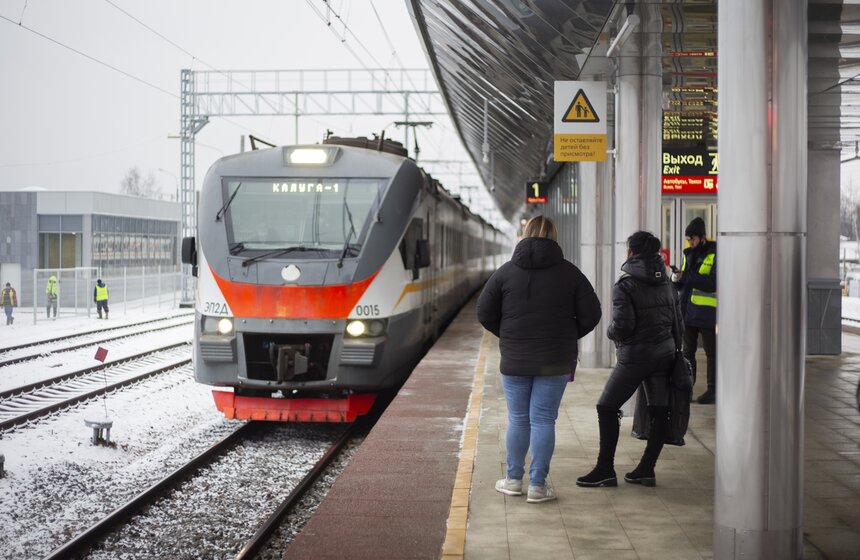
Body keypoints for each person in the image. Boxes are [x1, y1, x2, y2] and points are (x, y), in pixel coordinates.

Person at [477, 215, 601, 503]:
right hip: (555, 360)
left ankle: (512, 480)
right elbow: (593, 313)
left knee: (518, 419)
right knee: (543, 419)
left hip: (515, 359)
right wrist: (569, 335)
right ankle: (537, 485)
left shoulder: (505, 273)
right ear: (554, 237)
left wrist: (507, 335)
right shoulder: (570, 273)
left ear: (525, 235)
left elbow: (483, 312)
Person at [577, 231, 680, 488]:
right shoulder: (666, 282)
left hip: (636, 357)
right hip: (664, 353)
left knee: (607, 407)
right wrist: (676, 349)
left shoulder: (625, 285)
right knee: (659, 410)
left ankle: (605, 469)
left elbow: (623, 327)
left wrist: (610, 333)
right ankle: (646, 469)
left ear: (631, 252)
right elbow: (677, 321)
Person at [672, 217, 717, 404]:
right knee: (687, 353)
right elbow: (685, 282)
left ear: (702, 237)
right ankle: (687, 389)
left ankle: (713, 390)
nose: (690, 242)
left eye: (693, 239)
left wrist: (686, 277)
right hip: (688, 312)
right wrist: (676, 279)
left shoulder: (714, 254)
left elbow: (713, 282)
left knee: (711, 353)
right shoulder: (688, 254)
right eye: (688, 239)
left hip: (707, 313)